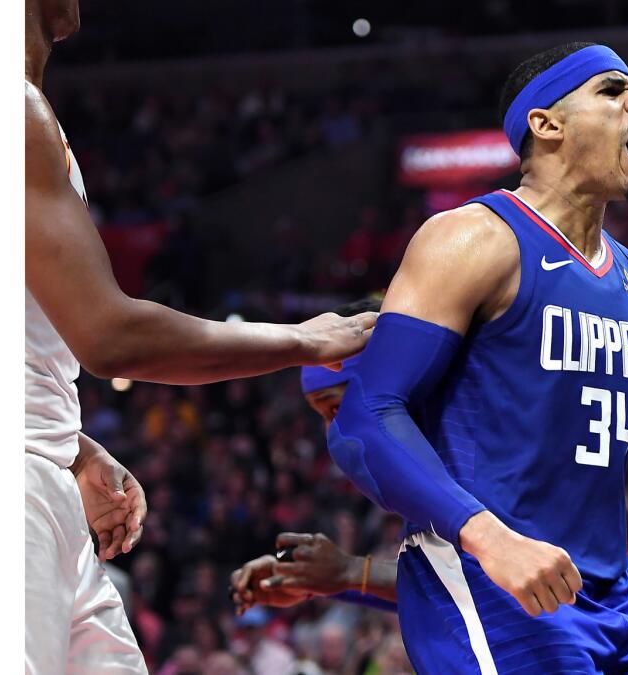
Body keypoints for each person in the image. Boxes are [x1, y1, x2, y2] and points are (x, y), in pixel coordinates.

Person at [327, 42, 628, 672]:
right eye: (611, 90)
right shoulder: (474, 239)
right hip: (490, 583)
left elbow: (625, 479)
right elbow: (364, 416)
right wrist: (493, 543)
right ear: (546, 124)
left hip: (620, 597)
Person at [24, 2, 375, 672]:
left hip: (42, 471)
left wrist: (70, 442)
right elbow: (110, 337)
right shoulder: (7, 108)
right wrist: (301, 338)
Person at [230, 365, 628, 612]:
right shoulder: (433, 465)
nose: (337, 433)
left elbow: (588, 514)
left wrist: (347, 577)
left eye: (335, 407)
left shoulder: (485, 421)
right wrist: (332, 581)